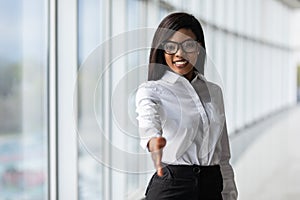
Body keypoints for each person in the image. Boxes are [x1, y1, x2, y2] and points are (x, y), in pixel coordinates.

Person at [135, 12, 238, 200]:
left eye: (188, 45)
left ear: (199, 48)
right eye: (171, 46)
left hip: (211, 186)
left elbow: (223, 154)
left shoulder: (214, 92)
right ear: (162, 49)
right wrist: (153, 140)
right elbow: (148, 121)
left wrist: (230, 194)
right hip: (172, 188)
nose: (180, 54)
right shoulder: (151, 90)